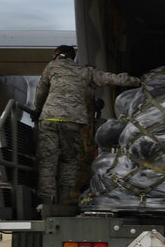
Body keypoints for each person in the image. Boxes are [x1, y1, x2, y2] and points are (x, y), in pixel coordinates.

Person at [33, 45, 141, 205]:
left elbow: (41, 91)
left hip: (50, 119)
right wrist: (137, 81)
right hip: (73, 121)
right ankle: (64, 196)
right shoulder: (85, 71)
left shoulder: (52, 66)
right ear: (72, 56)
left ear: (56, 55)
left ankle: (46, 200)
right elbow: (111, 78)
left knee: (48, 159)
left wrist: (38, 108)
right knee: (69, 159)